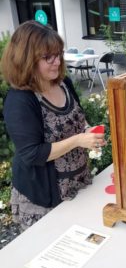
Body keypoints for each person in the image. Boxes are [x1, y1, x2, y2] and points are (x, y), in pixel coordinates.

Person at [1, 21, 105, 230]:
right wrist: (78, 140)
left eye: (58, 54)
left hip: (77, 180)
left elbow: (78, 116)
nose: (57, 61)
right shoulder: (20, 100)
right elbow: (33, 153)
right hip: (44, 196)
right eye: (48, 57)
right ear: (26, 58)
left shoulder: (63, 82)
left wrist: (87, 131)